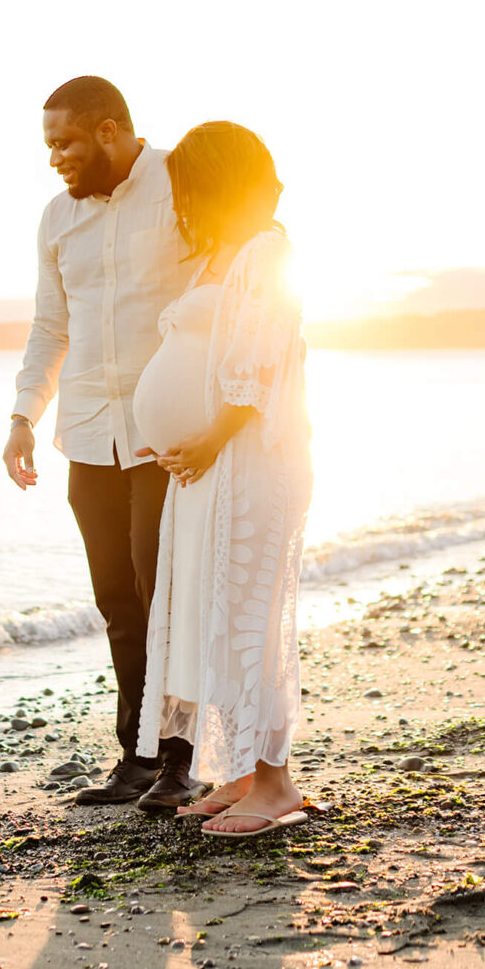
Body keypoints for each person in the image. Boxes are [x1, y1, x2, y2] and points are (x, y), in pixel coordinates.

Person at [5, 76, 204, 812]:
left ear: (111, 130)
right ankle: (136, 756)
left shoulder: (180, 182)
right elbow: (49, 325)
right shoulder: (57, 217)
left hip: (166, 432)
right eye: (49, 143)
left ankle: (184, 756)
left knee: (166, 596)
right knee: (118, 600)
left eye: (65, 142)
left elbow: (220, 285)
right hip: (89, 431)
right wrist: (24, 414)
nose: (55, 156)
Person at [131, 121, 313, 838]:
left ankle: (275, 783)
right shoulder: (220, 250)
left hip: (247, 459)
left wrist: (205, 437)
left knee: (248, 618)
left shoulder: (267, 249)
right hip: (208, 464)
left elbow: (257, 363)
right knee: (213, 616)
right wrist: (172, 439)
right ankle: (239, 770)